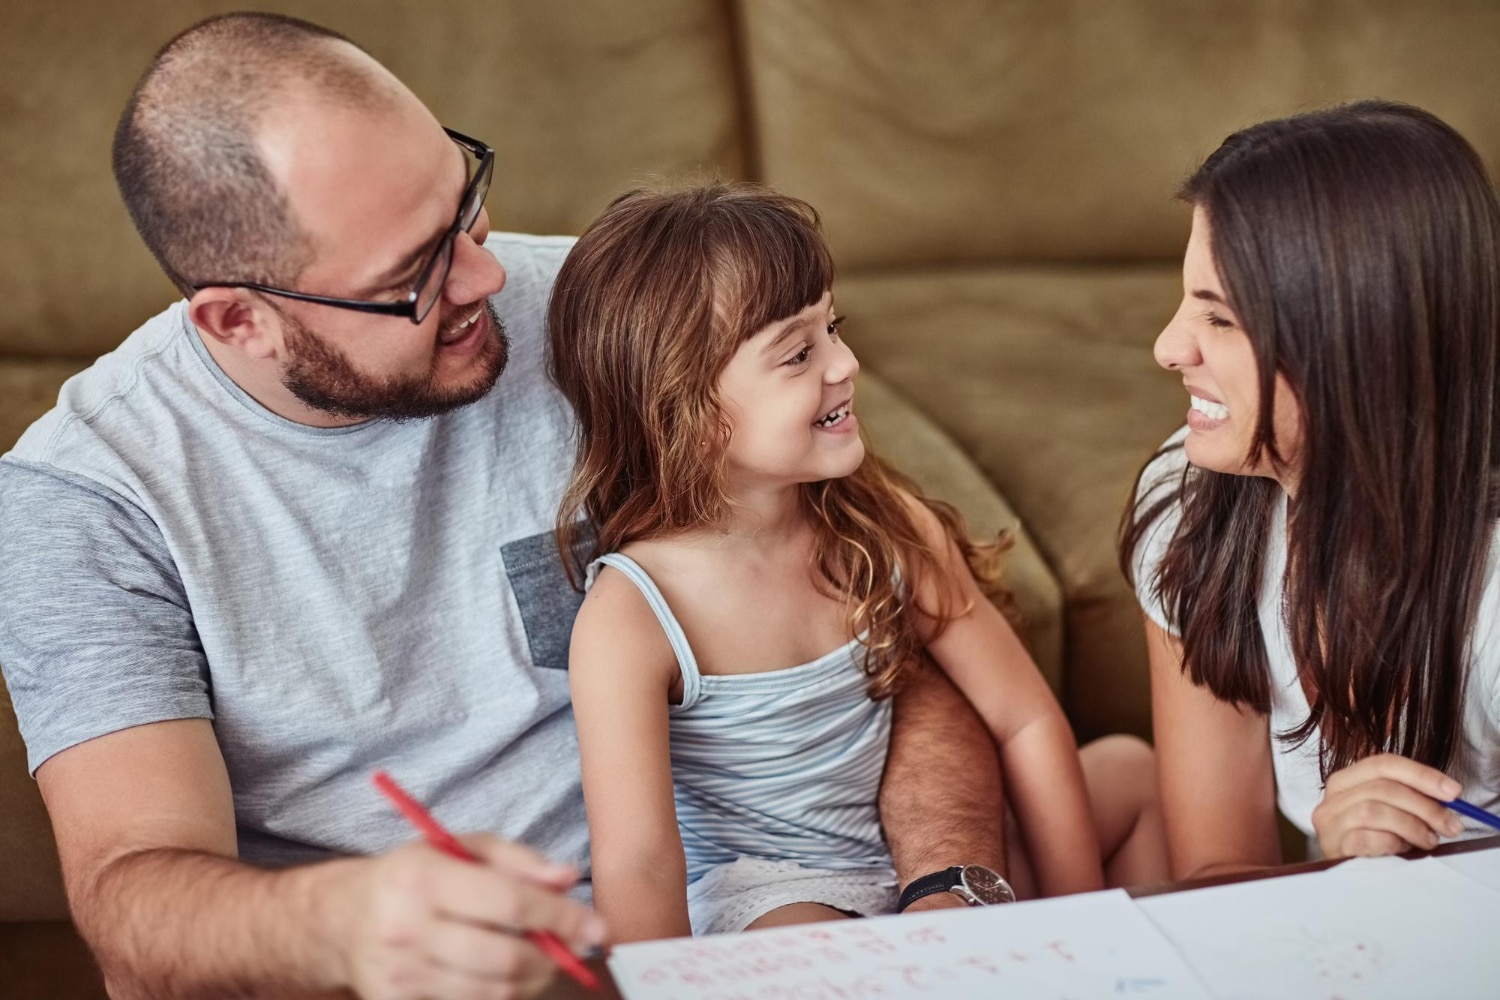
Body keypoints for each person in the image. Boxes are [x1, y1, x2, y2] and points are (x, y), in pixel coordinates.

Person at [0, 14, 1006, 1000]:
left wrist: (944, 886)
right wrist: (345, 919)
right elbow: (136, 906)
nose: (488, 275)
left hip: (753, 924)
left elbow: (893, 619)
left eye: (465, 206)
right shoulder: (87, 500)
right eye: (413, 278)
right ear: (238, 319)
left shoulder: (601, 313)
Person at [546, 183, 1168, 941]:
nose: (845, 364)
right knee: (810, 940)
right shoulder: (634, 613)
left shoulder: (881, 522)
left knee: (1131, 772)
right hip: (773, 898)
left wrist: (1076, 922)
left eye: (832, 327)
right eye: (799, 353)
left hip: (919, 864)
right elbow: (638, 863)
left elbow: (1027, 720)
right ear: (689, 415)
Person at [1122, 100, 1500, 880]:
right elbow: (1219, 874)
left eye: (1221, 319)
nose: (1167, 347)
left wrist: (1394, 885)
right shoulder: (1191, 503)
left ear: (1355, 349)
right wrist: (1342, 876)